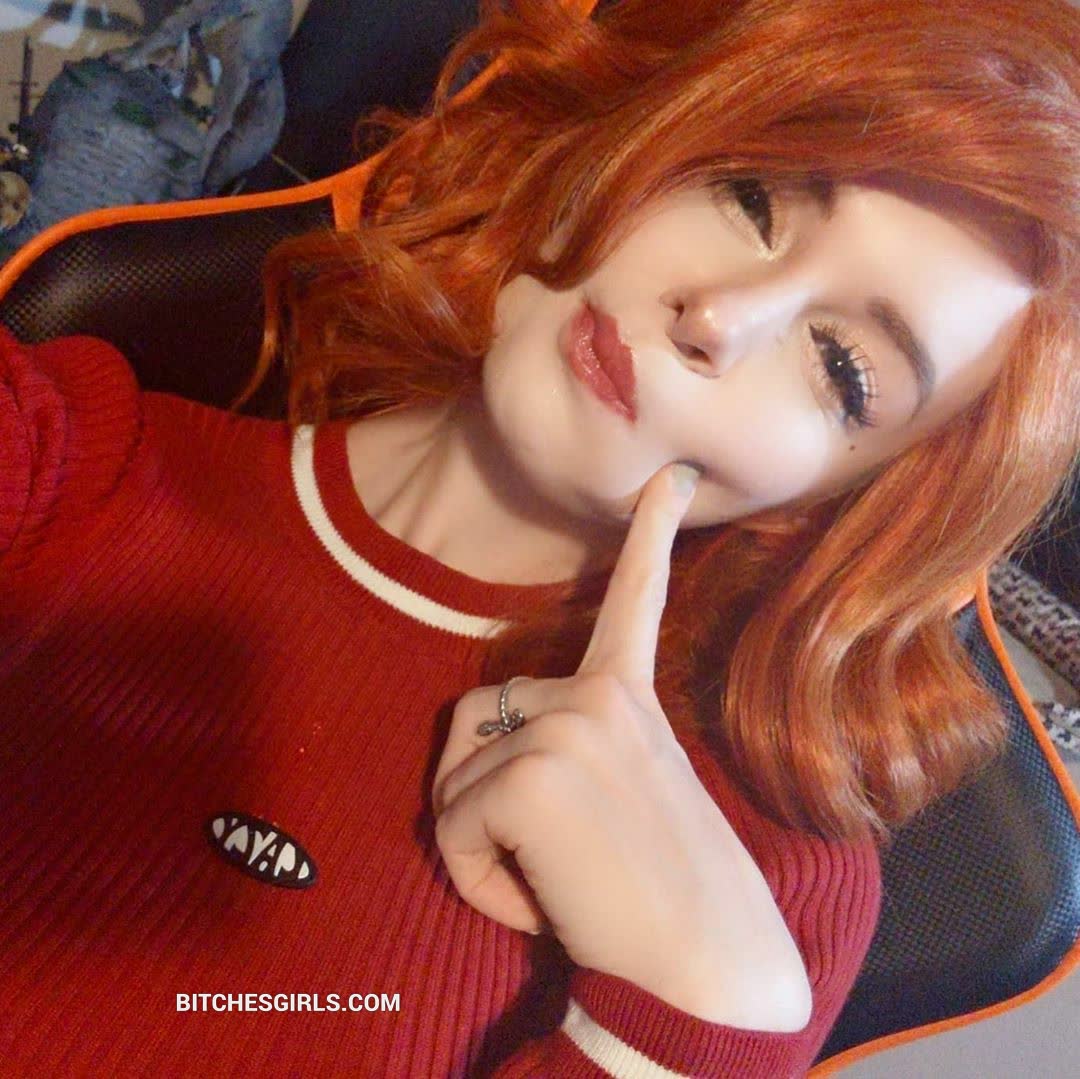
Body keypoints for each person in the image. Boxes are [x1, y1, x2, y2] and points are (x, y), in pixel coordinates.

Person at [2, 0, 1078, 1075]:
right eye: (750, 195)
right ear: (619, 140)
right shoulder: (69, 453)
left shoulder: (759, 887)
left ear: (835, 502)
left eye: (842, 366)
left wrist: (692, 1024)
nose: (717, 315)